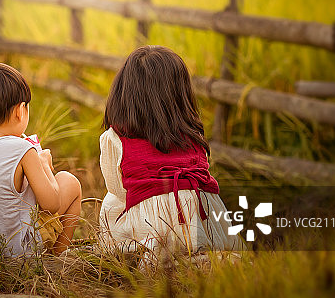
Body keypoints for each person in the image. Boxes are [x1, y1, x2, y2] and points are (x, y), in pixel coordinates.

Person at [99, 46, 243, 263]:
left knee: (111, 201)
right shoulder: (192, 134)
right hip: (202, 219)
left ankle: (146, 252)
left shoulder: (115, 138)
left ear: (124, 93)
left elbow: (118, 189)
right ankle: (201, 256)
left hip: (156, 224)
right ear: (180, 94)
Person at [0, 62, 82, 257]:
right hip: (15, 254)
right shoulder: (23, 149)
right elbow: (51, 203)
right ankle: (56, 259)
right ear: (20, 111)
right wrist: (43, 163)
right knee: (70, 183)